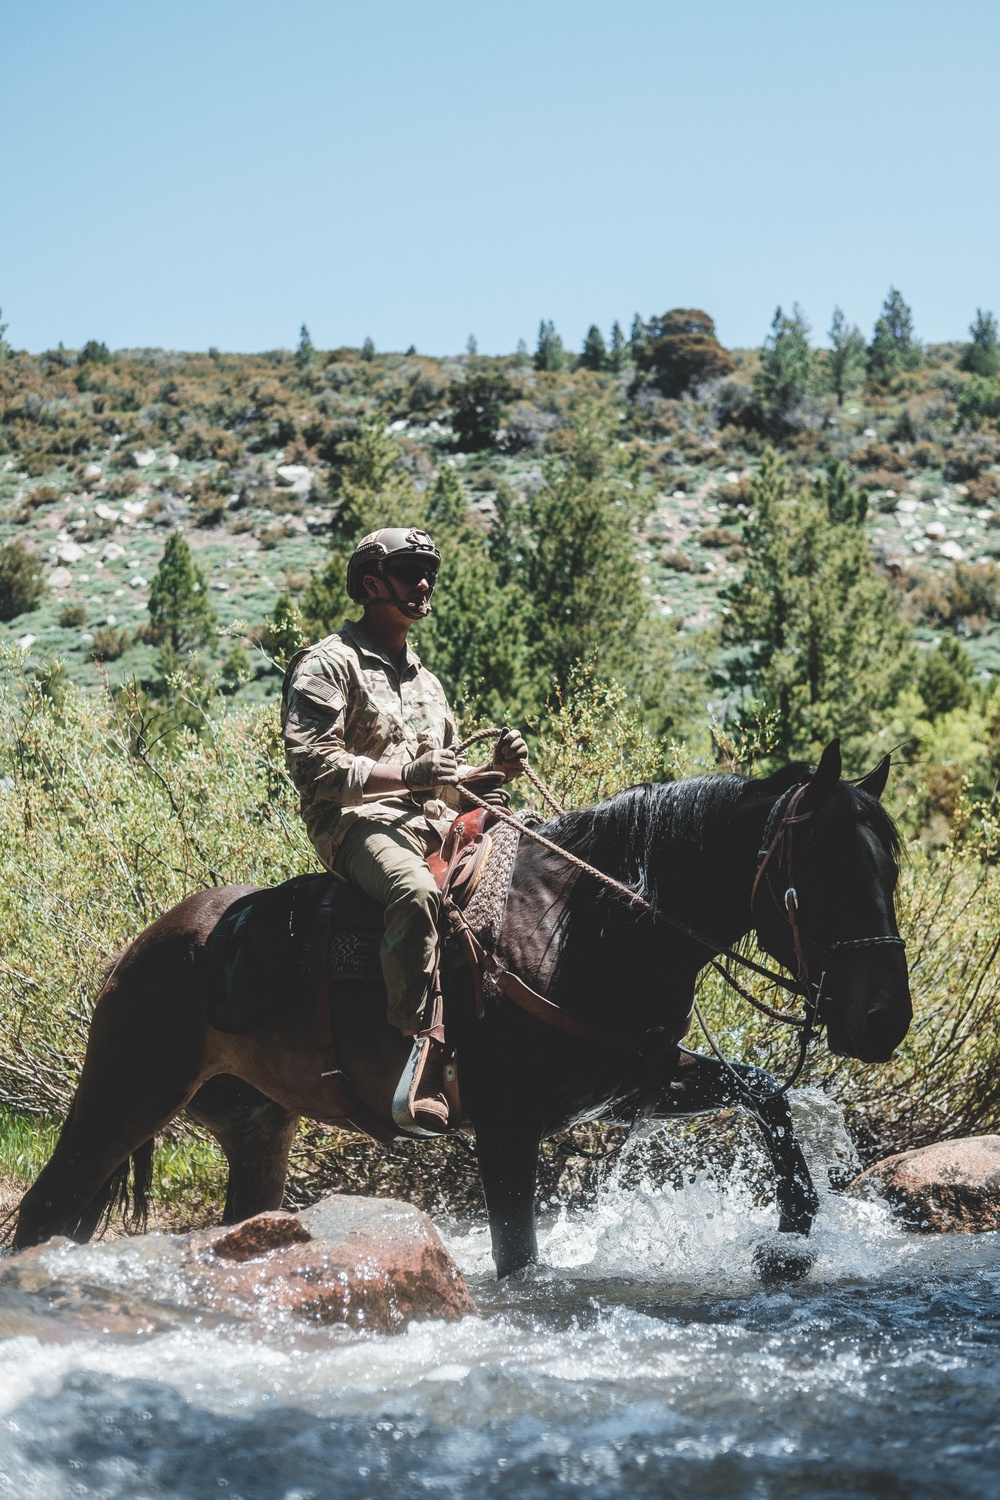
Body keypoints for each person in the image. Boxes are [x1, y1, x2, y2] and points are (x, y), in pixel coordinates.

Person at [281, 526, 529, 1131]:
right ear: (371, 584)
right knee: (413, 891)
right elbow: (311, 765)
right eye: (411, 570)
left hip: (431, 817)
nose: (425, 583)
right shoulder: (327, 662)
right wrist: (407, 775)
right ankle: (418, 1052)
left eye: (430, 572)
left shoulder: (426, 680)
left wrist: (492, 773)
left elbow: (444, 783)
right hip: (353, 823)